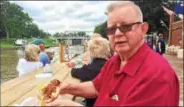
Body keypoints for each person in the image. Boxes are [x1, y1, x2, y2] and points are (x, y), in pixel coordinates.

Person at [46, 1, 179, 106]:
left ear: (143, 29)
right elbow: (96, 87)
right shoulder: (114, 61)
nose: (117, 33)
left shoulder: (156, 76)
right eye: (111, 29)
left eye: (126, 26)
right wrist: (67, 87)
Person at [67, 37, 111, 107]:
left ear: (91, 52)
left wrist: (74, 66)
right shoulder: (111, 65)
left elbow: (74, 72)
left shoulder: (89, 69)